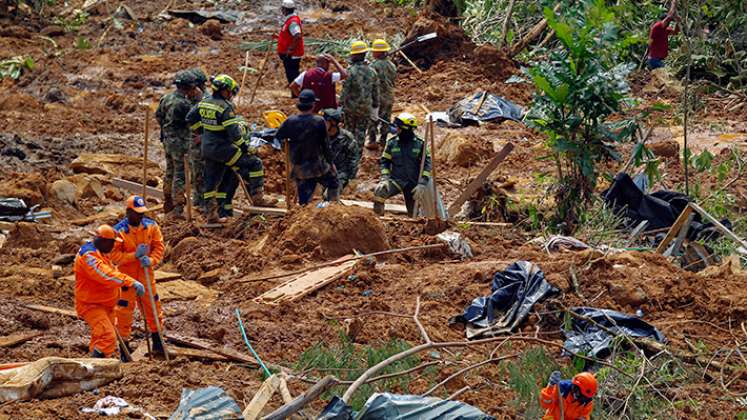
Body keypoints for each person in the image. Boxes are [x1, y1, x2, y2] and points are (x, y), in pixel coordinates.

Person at [186, 74, 276, 223]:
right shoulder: (225, 108)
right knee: (255, 163)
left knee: (211, 182)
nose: (231, 95)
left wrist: (202, 132)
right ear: (224, 90)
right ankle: (258, 197)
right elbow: (235, 134)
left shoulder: (204, 102)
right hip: (223, 150)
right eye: (230, 91)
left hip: (207, 149)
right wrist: (246, 148)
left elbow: (190, 118)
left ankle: (211, 215)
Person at [74, 224, 144, 358]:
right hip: (91, 305)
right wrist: (130, 282)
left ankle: (95, 365)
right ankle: (94, 368)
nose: (113, 247)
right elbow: (105, 275)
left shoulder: (101, 253)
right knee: (108, 337)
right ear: (104, 241)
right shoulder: (88, 256)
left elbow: (112, 270)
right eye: (112, 243)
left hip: (105, 304)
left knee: (101, 338)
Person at [110, 196, 166, 358]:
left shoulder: (151, 226)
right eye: (136, 213)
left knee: (153, 307)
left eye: (142, 213)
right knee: (124, 311)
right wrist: (134, 256)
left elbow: (158, 246)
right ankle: (124, 348)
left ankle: (157, 341)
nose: (140, 216)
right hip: (126, 277)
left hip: (146, 273)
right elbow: (114, 256)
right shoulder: (118, 231)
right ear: (128, 212)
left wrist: (151, 260)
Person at [275, 89, 339, 205]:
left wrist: (286, 149)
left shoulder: (290, 121)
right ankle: (332, 207)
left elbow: (278, 136)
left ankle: (303, 213)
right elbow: (325, 145)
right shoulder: (319, 122)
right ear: (313, 104)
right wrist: (331, 163)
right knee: (333, 181)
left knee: (304, 198)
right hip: (316, 166)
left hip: (299, 166)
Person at [155, 70, 202, 218]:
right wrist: (198, 100)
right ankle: (178, 206)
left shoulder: (166, 98)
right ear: (189, 87)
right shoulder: (184, 103)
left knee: (170, 170)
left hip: (168, 140)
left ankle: (168, 199)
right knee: (180, 173)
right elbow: (195, 117)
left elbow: (158, 116)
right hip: (180, 143)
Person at [374, 113, 430, 217]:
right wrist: (385, 178)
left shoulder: (420, 144)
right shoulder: (392, 143)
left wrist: (422, 183)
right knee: (380, 191)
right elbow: (384, 161)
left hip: (413, 185)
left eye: (398, 128)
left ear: (406, 129)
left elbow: (427, 165)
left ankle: (413, 228)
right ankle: (378, 223)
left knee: (414, 215)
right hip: (396, 181)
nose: (396, 130)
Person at [340, 40, 379, 151]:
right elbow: (375, 92)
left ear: (356, 55)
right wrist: (375, 108)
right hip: (365, 109)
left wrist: (340, 105)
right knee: (361, 133)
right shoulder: (372, 71)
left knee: (349, 132)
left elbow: (345, 92)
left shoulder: (350, 71)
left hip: (350, 109)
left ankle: (349, 156)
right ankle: (358, 155)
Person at [366, 39, 397, 150]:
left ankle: (372, 140)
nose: (373, 53)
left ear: (379, 52)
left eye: (374, 51)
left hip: (377, 97)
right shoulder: (392, 65)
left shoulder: (374, 66)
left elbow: (369, 81)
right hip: (389, 96)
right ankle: (383, 140)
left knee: (373, 118)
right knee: (386, 119)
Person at [322, 108, 359, 195]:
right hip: (321, 173)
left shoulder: (347, 138)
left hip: (339, 174)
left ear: (333, 123)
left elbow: (353, 159)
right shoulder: (319, 135)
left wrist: (350, 179)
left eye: (325, 122)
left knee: (330, 194)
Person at [187, 68, 209, 211]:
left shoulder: (205, 100)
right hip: (194, 144)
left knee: (201, 174)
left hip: (202, 144)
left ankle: (203, 204)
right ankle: (198, 201)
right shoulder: (192, 98)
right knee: (195, 174)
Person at [277, 0, 304, 95]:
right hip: (290, 54)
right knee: (291, 74)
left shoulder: (292, 22)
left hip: (292, 55)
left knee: (292, 74)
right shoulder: (289, 20)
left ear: (285, 10)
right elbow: (289, 36)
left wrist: (290, 49)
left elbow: (297, 35)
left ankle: (297, 94)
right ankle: (296, 94)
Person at [647, 1, 679, 70]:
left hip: (660, 59)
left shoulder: (665, 29)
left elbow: (675, 32)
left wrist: (677, 22)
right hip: (655, 59)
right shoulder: (657, 26)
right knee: (670, 72)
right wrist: (674, 4)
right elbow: (669, 16)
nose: (669, 23)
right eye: (668, 22)